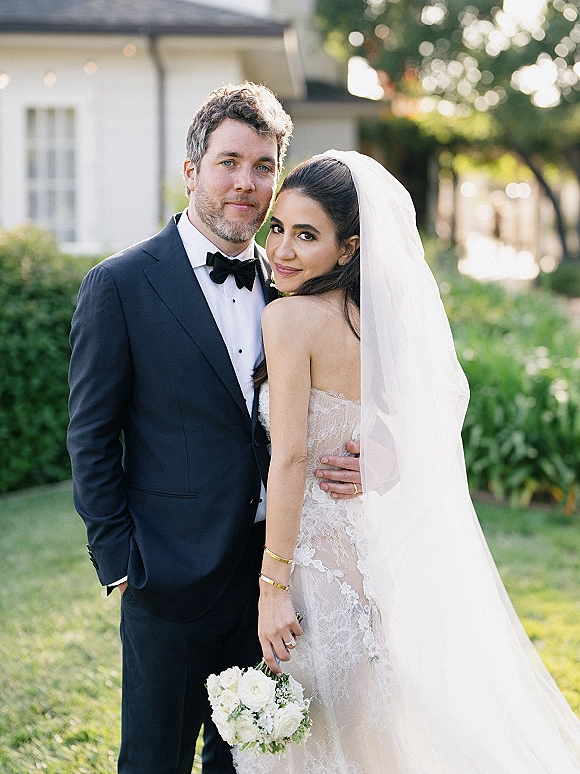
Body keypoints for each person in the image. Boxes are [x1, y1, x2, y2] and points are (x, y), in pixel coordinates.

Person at [233, 151, 580, 773]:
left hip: (311, 573)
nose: (281, 248)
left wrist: (273, 586)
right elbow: (417, 420)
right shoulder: (373, 322)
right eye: (277, 227)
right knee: (372, 743)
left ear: (348, 249)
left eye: (306, 235)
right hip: (368, 568)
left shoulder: (288, 318)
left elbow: (288, 460)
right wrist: (384, 459)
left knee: (326, 749)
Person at [66, 84, 362, 774]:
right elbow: (90, 437)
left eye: (264, 167)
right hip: (165, 579)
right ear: (193, 170)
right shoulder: (120, 285)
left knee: (251, 759)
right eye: (229, 161)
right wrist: (120, 567)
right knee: (154, 761)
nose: (246, 183)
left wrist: (374, 457)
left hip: (273, 583)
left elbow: (347, 403)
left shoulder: (291, 281)